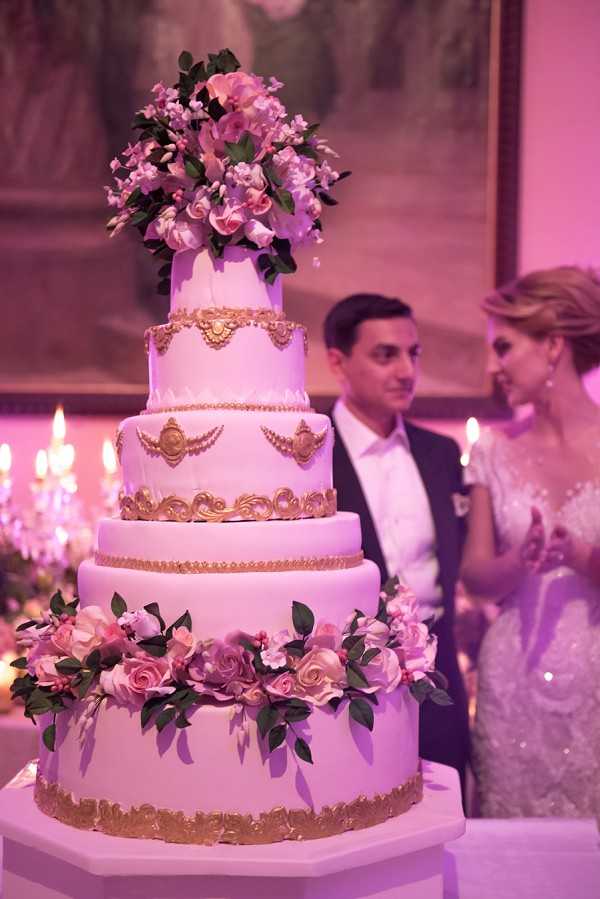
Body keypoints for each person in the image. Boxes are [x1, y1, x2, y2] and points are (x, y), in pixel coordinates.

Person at [461, 265, 600, 817]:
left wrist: (582, 556)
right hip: (511, 680)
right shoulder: (493, 449)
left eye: (505, 347)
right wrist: (520, 561)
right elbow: (475, 577)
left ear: (553, 346)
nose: (495, 366)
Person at [324, 293, 470, 788]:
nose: (407, 371)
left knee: (450, 810)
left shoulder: (440, 454)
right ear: (337, 361)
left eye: (414, 354)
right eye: (386, 355)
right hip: (347, 680)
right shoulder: (309, 455)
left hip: (440, 667)